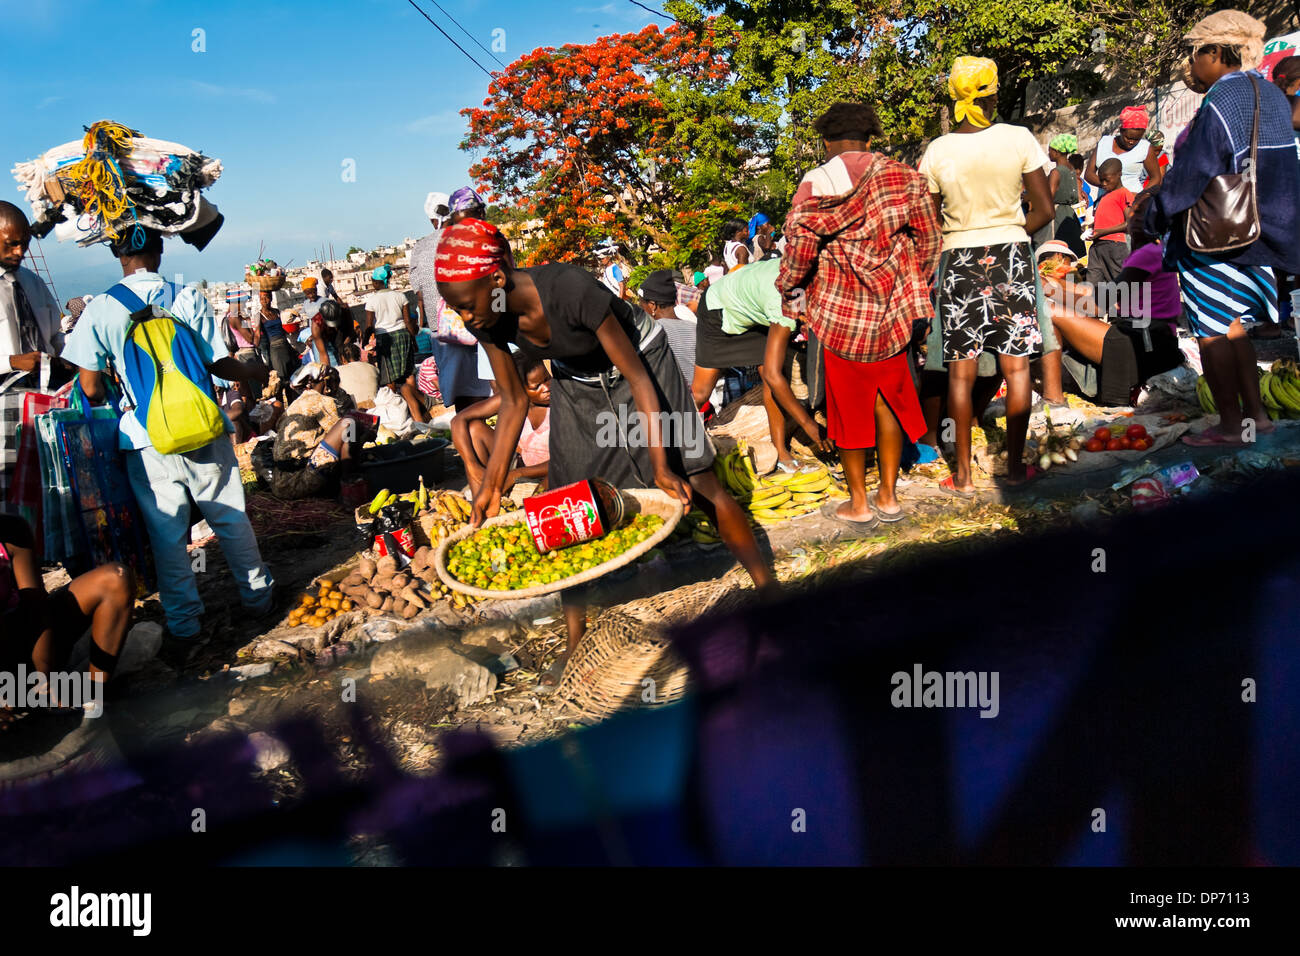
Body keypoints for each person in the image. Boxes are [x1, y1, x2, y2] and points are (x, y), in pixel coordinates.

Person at [436, 218, 775, 679]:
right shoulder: (491, 322)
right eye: (456, 310)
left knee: (697, 478)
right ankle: (577, 644)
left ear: (496, 280)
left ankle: (770, 595)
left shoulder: (569, 288)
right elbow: (514, 401)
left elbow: (637, 377)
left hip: (642, 364)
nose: (465, 318)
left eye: (465, 306)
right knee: (565, 502)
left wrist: (660, 463)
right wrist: (489, 487)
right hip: (577, 382)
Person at [62, 228, 275, 661]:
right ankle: (258, 600)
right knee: (230, 517)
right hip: (203, 426)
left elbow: (90, 385)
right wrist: (253, 372)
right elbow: (219, 363)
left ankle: (184, 624)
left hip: (145, 440)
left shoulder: (101, 308)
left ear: (117, 257)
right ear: (160, 251)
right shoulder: (187, 296)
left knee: (168, 535)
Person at [779, 101, 941, 525]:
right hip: (892, 314)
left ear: (827, 139)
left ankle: (859, 503)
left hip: (838, 315)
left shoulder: (816, 182)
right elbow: (929, 241)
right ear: (870, 136)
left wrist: (791, 289)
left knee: (849, 409)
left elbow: (799, 249)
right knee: (887, 402)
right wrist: (910, 285)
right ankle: (888, 497)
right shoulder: (905, 178)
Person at [1146, 9, 1300, 447]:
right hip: (1264, 234)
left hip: (1219, 237)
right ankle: (1257, 418)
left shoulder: (1221, 100)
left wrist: (1156, 216)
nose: (1193, 64)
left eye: (1197, 54)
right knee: (1235, 328)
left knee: (1212, 333)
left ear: (1216, 51)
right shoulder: (1271, 95)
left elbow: (1194, 172)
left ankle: (1231, 425)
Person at [918, 56, 1055, 494]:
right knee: (1017, 372)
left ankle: (961, 477)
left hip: (957, 260)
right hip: (1011, 257)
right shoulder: (1018, 139)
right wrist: (1009, 236)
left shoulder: (938, 150)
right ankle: (1014, 470)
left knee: (960, 374)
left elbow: (927, 219)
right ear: (991, 94)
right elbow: (1045, 209)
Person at [1038, 214, 1184, 407]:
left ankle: (1053, 398)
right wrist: (1056, 286)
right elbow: (1100, 294)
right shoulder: (1152, 251)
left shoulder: (1146, 254)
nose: (1128, 213)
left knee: (1048, 310)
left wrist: (1047, 290)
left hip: (1142, 343)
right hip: (1154, 340)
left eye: (1135, 209)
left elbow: (1097, 305)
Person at [1, 514, 133, 716]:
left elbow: (37, 608)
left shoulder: (11, 530)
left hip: (23, 642)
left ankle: (94, 697)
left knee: (115, 580)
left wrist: (45, 679)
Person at [0, 202, 68, 509]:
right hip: (5, 400)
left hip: (45, 397)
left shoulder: (33, 282)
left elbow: (56, 334)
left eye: (24, 245)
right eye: (10, 244)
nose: (19, 253)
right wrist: (12, 361)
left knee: (49, 483)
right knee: (7, 487)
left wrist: (67, 358)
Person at [408, 190, 492, 411]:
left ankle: (469, 432)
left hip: (444, 330)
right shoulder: (470, 237)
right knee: (493, 386)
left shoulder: (420, 248)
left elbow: (419, 292)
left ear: (432, 219)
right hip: (480, 321)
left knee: (461, 394)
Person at [452, 352, 552, 495]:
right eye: (536, 387)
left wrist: (515, 475)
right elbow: (458, 420)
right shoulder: (512, 399)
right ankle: (482, 499)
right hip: (518, 463)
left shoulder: (560, 401)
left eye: (547, 379)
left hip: (550, 471)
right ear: (519, 389)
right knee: (474, 429)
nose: (547, 388)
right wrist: (472, 465)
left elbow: (567, 459)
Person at [270, 364, 361, 499]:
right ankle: (349, 484)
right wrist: (361, 436)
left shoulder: (295, 404)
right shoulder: (321, 400)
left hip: (280, 483)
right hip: (300, 480)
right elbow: (343, 434)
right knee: (349, 423)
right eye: (335, 382)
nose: (337, 387)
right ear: (326, 381)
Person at [1086, 105, 1163, 197]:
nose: (1131, 142)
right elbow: (1089, 174)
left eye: (1137, 139)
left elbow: (1155, 177)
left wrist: (1140, 197)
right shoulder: (1104, 142)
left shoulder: (1145, 148)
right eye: (1128, 138)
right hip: (1105, 198)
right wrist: (1108, 185)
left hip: (1132, 200)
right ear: (1121, 131)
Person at [638, 269, 699, 384]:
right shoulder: (694, 327)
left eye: (642, 306)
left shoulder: (653, 333)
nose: (643, 311)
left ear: (652, 306)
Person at [1086, 158, 1135, 294]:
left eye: (1107, 180)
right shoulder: (1106, 196)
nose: (1103, 184)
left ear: (1119, 174)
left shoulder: (1124, 194)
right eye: (1101, 180)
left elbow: (1129, 223)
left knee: (1119, 283)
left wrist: (1102, 232)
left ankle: (1123, 314)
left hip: (1115, 245)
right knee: (1094, 285)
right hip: (1097, 246)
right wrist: (1093, 227)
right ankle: (1093, 313)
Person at [363, 267, 417, 390]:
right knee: (409, 372)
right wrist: (413, 340)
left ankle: (395, 402)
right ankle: (416, 398)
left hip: (384, 338)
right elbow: (408, 321)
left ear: (376, 282)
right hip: (403, 335)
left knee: (389, 376)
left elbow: (369, 325)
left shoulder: (371, 300)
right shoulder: (400, 296)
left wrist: (365, 342)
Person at [1039, 134, 1083, 255]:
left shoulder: (1056, 172)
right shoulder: (1072, 170)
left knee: (1056, 252)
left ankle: (1059, 274)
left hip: (1057, 216)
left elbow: (1048, 197)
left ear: (1057, 152)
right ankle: (1071, 275)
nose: (1048, 153)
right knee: (1069, 252)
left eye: (1050, 150)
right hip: (1070, 216)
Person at [249, 287, 297, 381]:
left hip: (285, 345)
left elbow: (283, 328)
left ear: (271, 298)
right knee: (280, 376)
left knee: (292, 373)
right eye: (261, 299)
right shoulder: (258, 316)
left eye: (266, 297)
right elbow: (258, 334)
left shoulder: (276, 312)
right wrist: (254, 348)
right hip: (274, 348)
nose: (264, 301)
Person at [336, 343, 379, 408]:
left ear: (342, 358)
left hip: (355, 410)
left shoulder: (337, 371)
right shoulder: (373, 368)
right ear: (359, 355)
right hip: (374, 406)